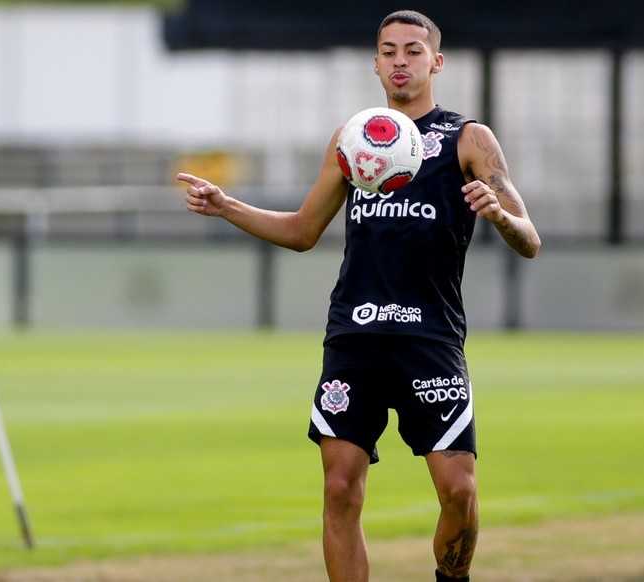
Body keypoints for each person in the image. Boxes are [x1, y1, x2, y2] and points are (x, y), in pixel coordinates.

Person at [177, 9, 540, 582]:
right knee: (340, 487)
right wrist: (227, 206)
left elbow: (530, 240)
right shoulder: (353, 141)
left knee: (458, 491)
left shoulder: (468, 138)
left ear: (436, 62)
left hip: (430, 336)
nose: (401, 61)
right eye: (389, 50)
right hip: (355, 335)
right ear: (375, 63)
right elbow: (301, 231)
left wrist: (498, 215)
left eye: (413, 51)